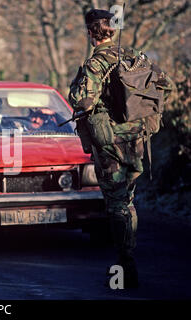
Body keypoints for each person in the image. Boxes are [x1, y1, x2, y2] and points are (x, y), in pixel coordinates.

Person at [68, 9, 173, 288]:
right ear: (112, 31)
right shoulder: (135, 56)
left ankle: (125, 267)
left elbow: (84, 101)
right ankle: (125, 259)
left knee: (117, 204)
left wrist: (78, 92)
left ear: (92, 33)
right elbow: (166, 85)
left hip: (110, 143)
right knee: (126, 200)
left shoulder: (96, 63)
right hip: (135, 139)